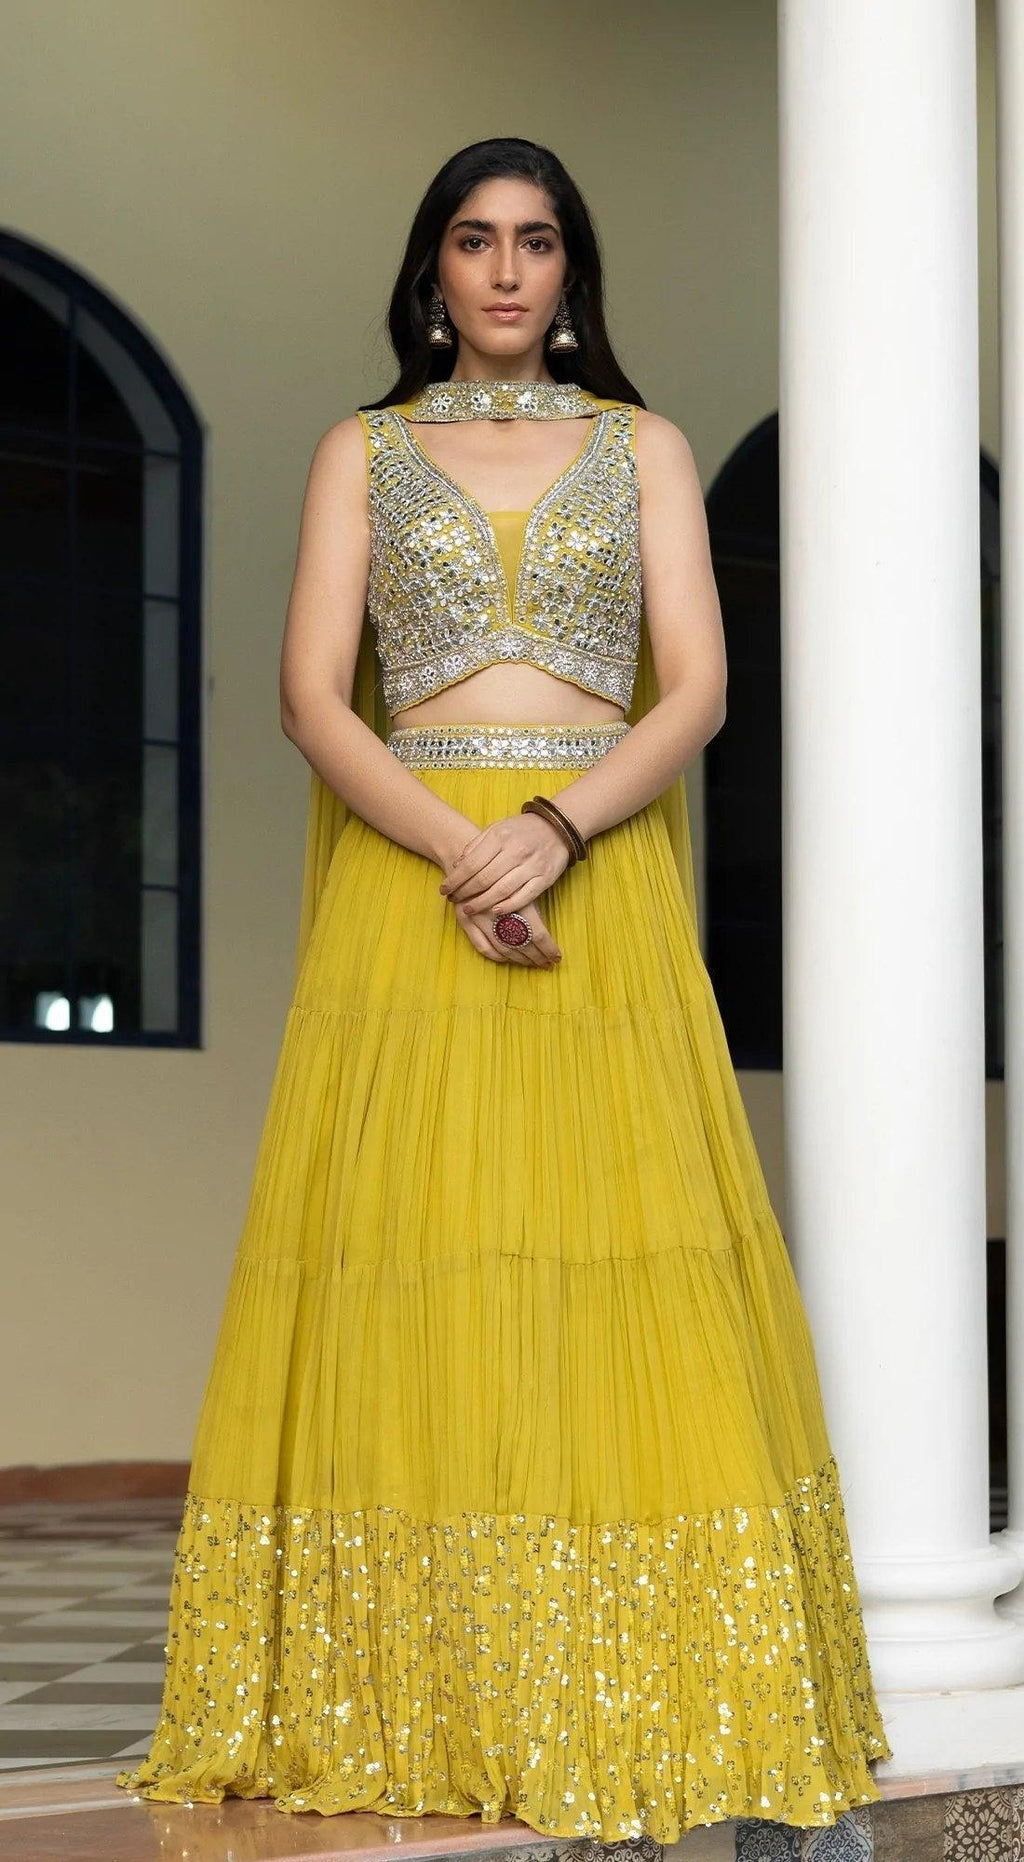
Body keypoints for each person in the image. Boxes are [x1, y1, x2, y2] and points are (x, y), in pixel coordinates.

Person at [116, 136, 892, 1846]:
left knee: (620, 1269)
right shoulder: (363, 452)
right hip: (413, 898)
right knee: (424, 1262)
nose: (508, 271)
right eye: (476, 241)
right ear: (433, 270)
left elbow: (696, 691)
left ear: (571, 270)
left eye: (538, 241)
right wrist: (465, 854)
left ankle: (650, 1690)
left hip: (596, 883)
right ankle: (432, 1693)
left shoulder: (645, 448)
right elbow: (313, 699)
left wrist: (552, 829)